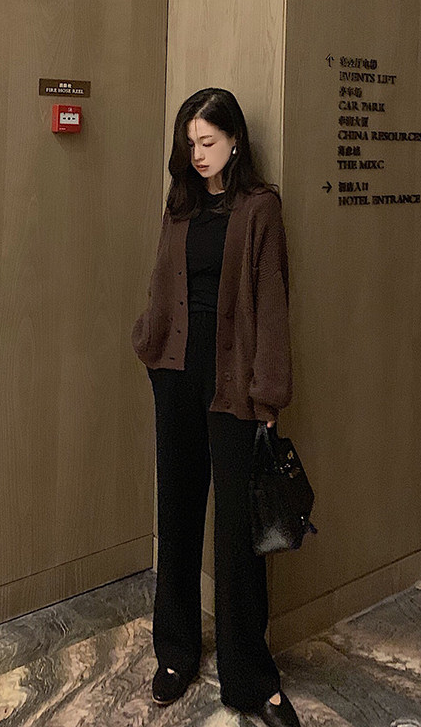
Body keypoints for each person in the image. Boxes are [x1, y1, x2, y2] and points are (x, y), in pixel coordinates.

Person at [132, 88, 301, 727]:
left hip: (233, 383)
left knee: (237, 533)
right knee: (177, 515)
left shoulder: (260, 209)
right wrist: (147, 341)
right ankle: (175, 653)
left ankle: (250, 677)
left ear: (234, 141)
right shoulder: (180, 205)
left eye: (208, 142)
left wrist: (268, 393)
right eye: (190, 144)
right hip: (176, 376)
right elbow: (162, 281)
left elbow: (273, 302)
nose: (198, 155)